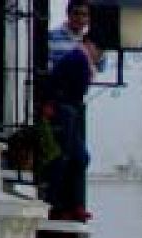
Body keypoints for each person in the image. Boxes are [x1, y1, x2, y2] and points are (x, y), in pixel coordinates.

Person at [41, 23, 101, 221]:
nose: (100, 54)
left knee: (78, 157)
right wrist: (50, 104)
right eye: (98, 49)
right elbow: (57, 83)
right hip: (64, 110)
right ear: (89, 44)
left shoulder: (80, 60)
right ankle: (57, 202)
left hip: (68, 110)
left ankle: (69, 203)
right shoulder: (78, 60)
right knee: (65, 157)